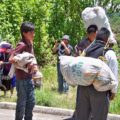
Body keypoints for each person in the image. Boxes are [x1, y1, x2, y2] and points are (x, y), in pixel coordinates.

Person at [74, 27, 118, 120]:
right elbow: (113, 74)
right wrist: (113, 91)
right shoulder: (108, 53)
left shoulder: (86, 51)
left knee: (82, 117)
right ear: (107, 39)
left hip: (82, 89)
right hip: (99, 91)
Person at [9, 22, 35, 120]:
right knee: (21, 105)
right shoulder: (22, 45)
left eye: (33, 31)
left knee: (31, 103)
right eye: (31, 32)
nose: (33, 34)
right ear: (24, 33)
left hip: (29, 78)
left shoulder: (30, 44)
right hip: (22, 80)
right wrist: (23, 63)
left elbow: (32, 58)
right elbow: (11, 59)